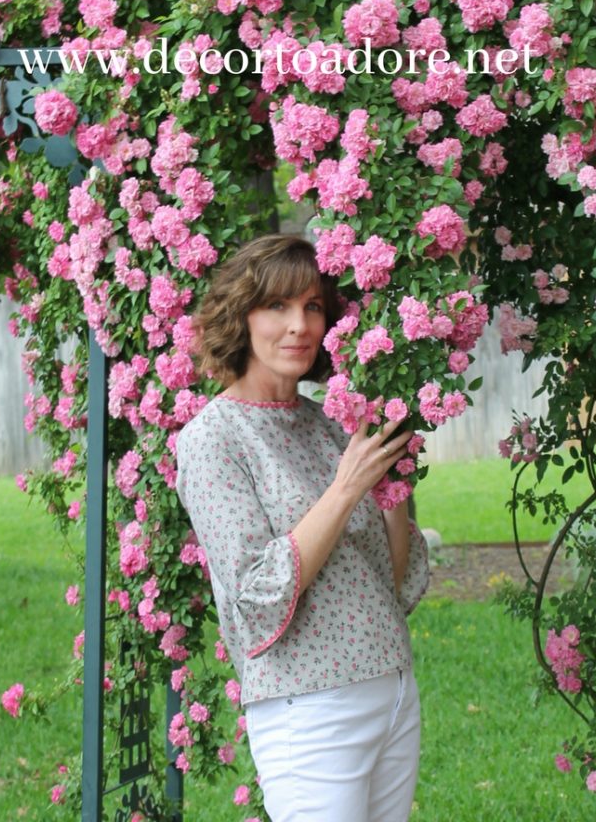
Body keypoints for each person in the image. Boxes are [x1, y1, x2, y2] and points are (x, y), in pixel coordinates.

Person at [175, 234, 430, 822]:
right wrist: (346, 487)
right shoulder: (214, 438)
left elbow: (390, 579)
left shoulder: (333, 423)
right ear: (242, 315)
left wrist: (388, 477)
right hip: (310, 707)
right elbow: (258, 593)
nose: (299, 326)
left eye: (313, 307)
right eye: (278, 306)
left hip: (391, 691)